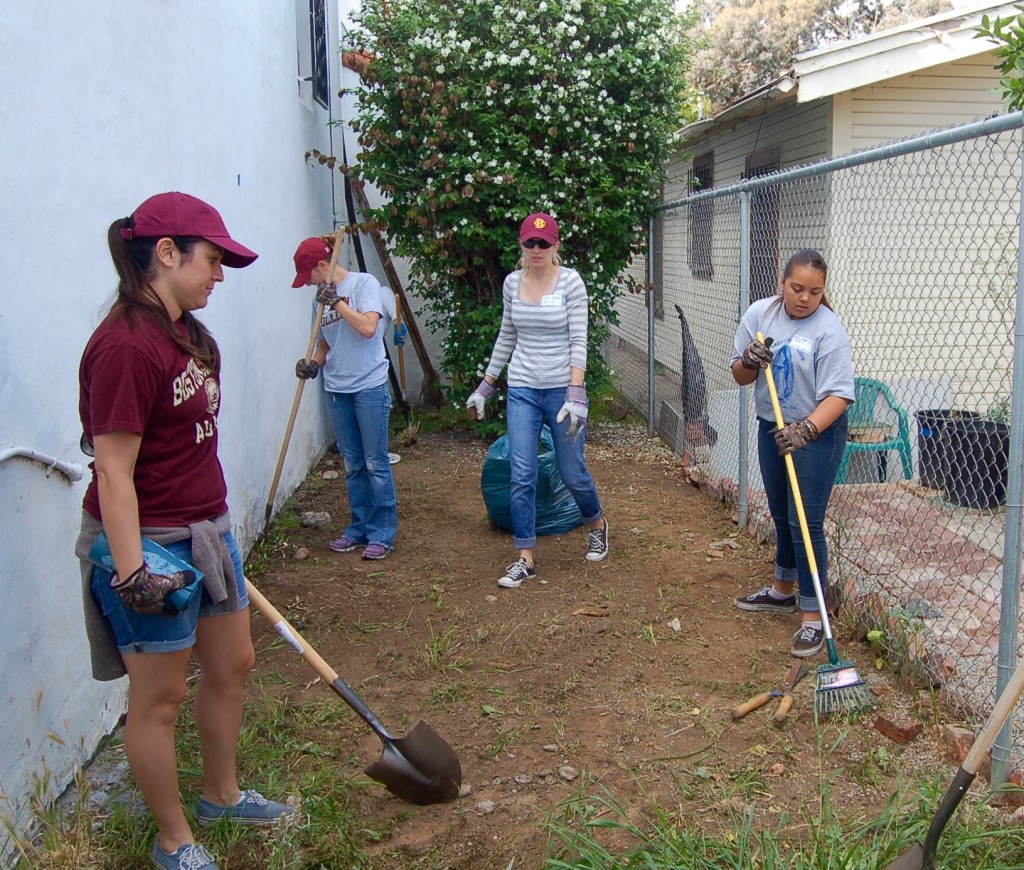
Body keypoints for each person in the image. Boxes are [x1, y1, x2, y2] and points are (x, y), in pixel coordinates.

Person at [75, 192, 293, 870]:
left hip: (208, 527)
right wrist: (134, 569)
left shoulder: (189, 336)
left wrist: (218, 531)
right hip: (150, 541)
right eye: (213, 260)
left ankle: (221, 796)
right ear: (165, 254)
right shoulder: (124, 347)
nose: (219, 275)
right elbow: (113, 469)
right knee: (161, 695)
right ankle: (175, 842)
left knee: (232, 664)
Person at [467, 212, 609, 589]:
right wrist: (487, 384)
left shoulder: (571, 283)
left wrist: (576, 392)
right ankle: (525, 557)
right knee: (522, 472)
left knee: (571, 470)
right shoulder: (513, 283)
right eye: (530, 242)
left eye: (544, 243)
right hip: (523, 389)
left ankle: (596, 522)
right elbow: (506, 336)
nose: (536, 249)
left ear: (556, 246)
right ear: (521, 244)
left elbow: (579, 340)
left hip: (563, 392)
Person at [730, 248, 854, 658]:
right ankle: (782, 590)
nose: (805, 298)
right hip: (772, 426)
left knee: (807, 521)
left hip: (816, 432)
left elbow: (839, 395)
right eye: (797, 288)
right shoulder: (761, 316)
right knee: (782, 513)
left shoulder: (829, 330)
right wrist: (749, 358)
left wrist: (806, 429)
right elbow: (740, 375)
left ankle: (813, 617)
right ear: (781, 283)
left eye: (815, 292)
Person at [292, 236, 397, 559]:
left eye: (309, 275)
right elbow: (325, 344)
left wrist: (337, 302)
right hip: (337, 390)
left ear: (323, 266)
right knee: (353, 464)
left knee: (375, 462)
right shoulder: (317, 302)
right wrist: (312, 364)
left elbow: (368, 328)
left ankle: (381, 532)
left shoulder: (364, 284)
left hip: (369, 386)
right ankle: (358, 527)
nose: (308, 284)